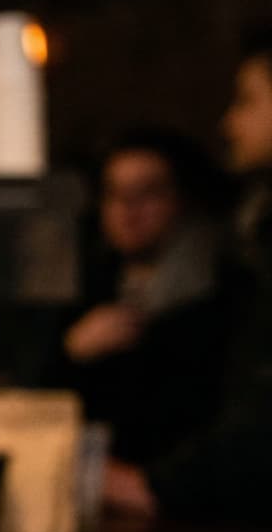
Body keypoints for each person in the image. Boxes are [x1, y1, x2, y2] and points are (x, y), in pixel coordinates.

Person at [104, 33, 272, 523]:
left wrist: (162, 486)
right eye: (114, 196)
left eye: (247, 100)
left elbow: (260, 407)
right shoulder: (99, 281)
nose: (228, 122)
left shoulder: (222, 270)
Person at [56, 132, 229, 466]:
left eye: (147, 193)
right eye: (114, 193)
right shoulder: (87, 283)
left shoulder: (217, 290)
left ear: (181, 199)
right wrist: (74, 350)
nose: (127, 209)